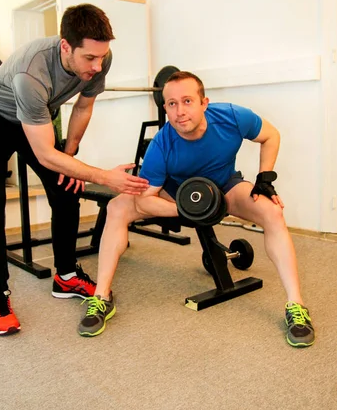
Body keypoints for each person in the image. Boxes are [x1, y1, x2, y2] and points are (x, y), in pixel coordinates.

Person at [78, 70, 315, 348]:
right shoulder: (161, 144)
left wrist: (265, 178)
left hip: (224, 186)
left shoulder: (232, 117)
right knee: (118, 206)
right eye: (172, 104)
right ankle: (102, 297)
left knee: (272, 212)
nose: (180, 111)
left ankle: (296, 306)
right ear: (165, 108)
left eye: (188, 101)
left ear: (204, 102)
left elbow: (271, 135)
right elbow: (145, 199)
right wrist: (186, 209)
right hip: (176, 193)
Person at [0, 3, 149, 336]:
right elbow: (46, 154)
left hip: (35, 119)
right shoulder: (31, 72)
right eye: (89, 59)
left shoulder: (99, 58)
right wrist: (102, 175)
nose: (97, 65)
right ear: (66, 46)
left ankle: (65, 275)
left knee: (67, 187)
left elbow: (84, 105)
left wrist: (72, 156)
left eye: (101, 57)